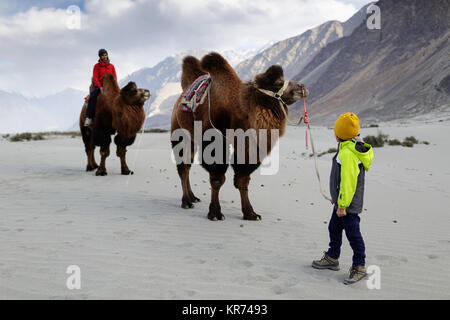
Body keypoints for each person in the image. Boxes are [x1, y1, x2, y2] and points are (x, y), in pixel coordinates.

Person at [312, 112, 374, 285]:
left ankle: (359, 266)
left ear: (340, 134)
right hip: (341, 202)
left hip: (348, 205)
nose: (334, 133)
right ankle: (332, 258)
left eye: (336, 130)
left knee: (353, 234)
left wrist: (343, 204)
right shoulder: (349, 146)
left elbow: (348, 182)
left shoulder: (348, 154)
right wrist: (337, 199)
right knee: (334, 227)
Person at [84, 49, 117, 126]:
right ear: (100, 57)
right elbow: (95, 78)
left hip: (110, 87)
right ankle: (89, 117)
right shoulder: (96, 66)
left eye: (105, 55)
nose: (104, 57)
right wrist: (100, 87)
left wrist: (115, 87)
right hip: (99, 86)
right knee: (92, 96)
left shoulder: (111, 66)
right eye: (102, 55)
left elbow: (114, 78)